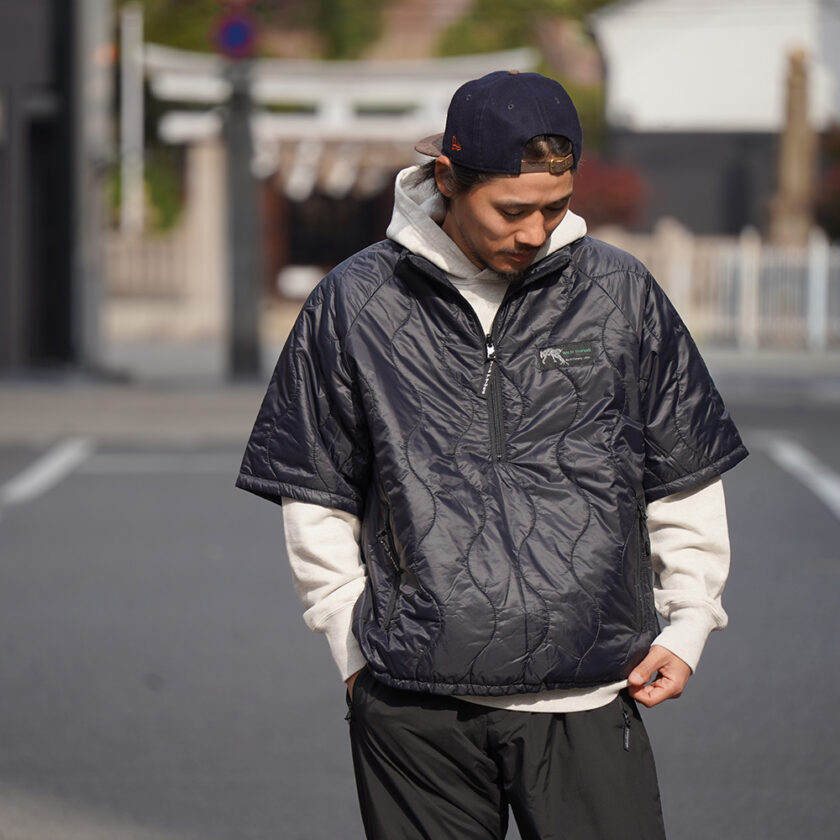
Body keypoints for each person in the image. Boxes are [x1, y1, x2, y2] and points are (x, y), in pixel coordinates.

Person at [236, 70, 748, 840]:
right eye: (513, 210)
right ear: (447, 178)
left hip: (588, 691)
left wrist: (690, 621)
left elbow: (681, 470)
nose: (536, 231)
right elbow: (316, 491)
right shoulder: (356, 303)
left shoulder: (620, 293)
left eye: (556, 207)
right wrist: (348, 642)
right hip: (413, 707)